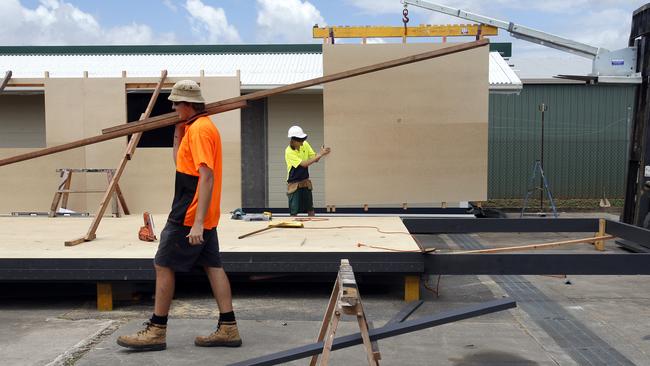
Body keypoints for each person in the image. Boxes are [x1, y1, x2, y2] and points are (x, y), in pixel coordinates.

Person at [117, 80, 241, 351]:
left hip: (189, 212)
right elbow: (182, 165)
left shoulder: (200, 131)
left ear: (188, 104)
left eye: (176, 103)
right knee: (213, 266)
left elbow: (206, 176)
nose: (172, 107)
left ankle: (156, 330)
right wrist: (177, 130)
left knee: (163, 264)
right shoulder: (194, 128)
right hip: (201, 211)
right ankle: (229, 328)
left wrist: (196, 222)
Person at [285, 125, 330, 216]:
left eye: (303, 140)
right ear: (293, 141)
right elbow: (304, 164)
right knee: (294, 210)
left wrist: (320, 154)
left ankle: (312, 226)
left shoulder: (305, 144)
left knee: (310, 208)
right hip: (294, 183)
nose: (302, 143)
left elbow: (315, 159)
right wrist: (319, 155)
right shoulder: (289, 151)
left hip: (305, 181)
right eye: (300, 141)